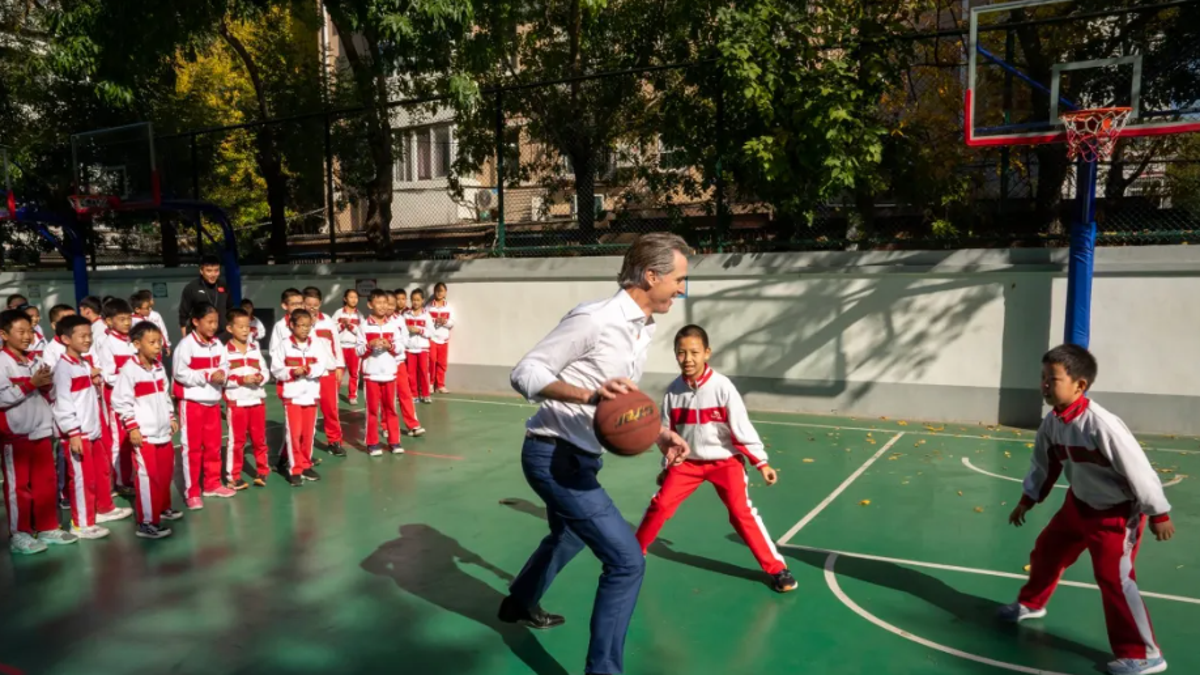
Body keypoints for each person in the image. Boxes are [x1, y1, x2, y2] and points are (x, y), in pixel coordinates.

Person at [502, 232, 692, 675]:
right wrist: (589, 397)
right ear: (651, 276)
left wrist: (659, 432)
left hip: (578, 457)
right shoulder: (596, 319)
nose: (682, 289)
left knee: (567, 534)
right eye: (679, 280)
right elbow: (525, 372)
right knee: (626, 562)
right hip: (554, 458)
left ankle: (519, 602)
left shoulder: (640, 328)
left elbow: (621, 401)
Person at [1000, 344, 1174, 675]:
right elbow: (1044, 465)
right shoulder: (1052, 423)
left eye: (1053, 379)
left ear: (1080, 385)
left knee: (1115, 580)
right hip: (1077, 505)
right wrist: (1028, 498)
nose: (1045, 385)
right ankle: (1031, 603)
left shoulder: (1101, 425)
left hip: (1115, 514)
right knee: (1046, 551)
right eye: (1043, 378)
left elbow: (1139, 469)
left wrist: (1158, 513)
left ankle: (1145, 653)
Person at [634, 325, 797, 593]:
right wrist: (666, 466)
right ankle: (633, 552)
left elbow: (741, 428)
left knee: (740, 513)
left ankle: (777, 569)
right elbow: (667, 435)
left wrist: (761, 462)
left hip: (725, 462)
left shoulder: (722, 387)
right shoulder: (673, 392)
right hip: (686, 463)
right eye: (681, 353)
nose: (687, 359)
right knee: (660, 505)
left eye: (694, 352)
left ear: (707, 353)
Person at [0, 308, 77, 554]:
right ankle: (19, 533)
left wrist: (46, 386)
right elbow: (2, 398)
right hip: (16, 435)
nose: (26, 336)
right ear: (3, 334)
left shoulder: (36, 360)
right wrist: (31, 384)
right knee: (18, 487)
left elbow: (49, 394)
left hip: (42, 431)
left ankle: (47, 527)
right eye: (20, 331)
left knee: (46, 482)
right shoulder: (2, 362)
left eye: (30, 330)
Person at [112, 321, 180, 539]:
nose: (158, 346)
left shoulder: (159, 367)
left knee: (165, 472)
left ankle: (162, 508)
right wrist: (132, 428)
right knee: (147, 477)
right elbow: (121, 401)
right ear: (136, 344)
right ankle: (147, 522)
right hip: (145, 435)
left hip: (163, 433)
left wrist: (171, 416)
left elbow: (166, 395)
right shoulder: (129, 370)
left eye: (159, 341)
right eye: (152, 342)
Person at [51, 315, 110, 540]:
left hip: (90, 432)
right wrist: (73, 432)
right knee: (81, 481)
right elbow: (63, 404)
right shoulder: (63, 369)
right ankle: (81, 524)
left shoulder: (83, 365)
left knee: (92, 478)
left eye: (90, 335)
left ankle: (90, 518)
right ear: (66, 339)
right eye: (82, 336)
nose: (88, 340)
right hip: (78, 435)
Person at [173, 302, 233, 508]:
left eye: (216, 322)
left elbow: (225, 365)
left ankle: (212, 484)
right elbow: (180, 373)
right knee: (192, 449)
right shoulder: (186, 345)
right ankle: (192, 492)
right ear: (195, 322)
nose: (213, 326)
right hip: (192, 403)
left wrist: (223, 374)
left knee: (214, 447)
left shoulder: (217, 344)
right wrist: (208, 375)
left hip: (213, 403)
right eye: (209, 322)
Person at [271, 309, 325, 487]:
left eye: (308, 326)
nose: (304, 329)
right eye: (300, 325)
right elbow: (276, 369)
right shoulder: (284, 346)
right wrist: (292, 372)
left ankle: (306, 464)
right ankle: (295, 469)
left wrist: (308, 370)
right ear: (291, 325)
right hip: (292, 396)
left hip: (311, 395)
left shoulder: (316, 344)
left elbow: (321, 366)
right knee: (294, 434)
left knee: (308, 434)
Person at [222, 308, 270, 489]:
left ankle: (262, 471)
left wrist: (260, 378)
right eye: (240, 326)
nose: (245, 330)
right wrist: (242, 380)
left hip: (257, 400)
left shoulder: (254, 349)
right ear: (229, 328)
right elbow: (223, 378)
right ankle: (233, 476)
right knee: (237, 441)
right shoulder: (224, 352)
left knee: (259, 439)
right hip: (237, 403)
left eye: (247, 326)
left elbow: (265, 371)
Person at [356, 289, 407, 456]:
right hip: (371, 375)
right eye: (379, 302)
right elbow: (358, 350)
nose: (383, 306)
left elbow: (400, 348)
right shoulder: (363, 326)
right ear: (370, 305)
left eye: (385, 302)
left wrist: (390, 346)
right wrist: (369, 345)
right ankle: (372, 442)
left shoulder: (393, 325)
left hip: (390, 374)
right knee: (372, 410)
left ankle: (394, 441)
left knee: (391, 409)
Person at [95, 298, 136, 495]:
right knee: (118, 440)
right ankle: (119, 481)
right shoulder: (107, 344)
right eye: (122, 319)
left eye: (129, 318)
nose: (127, 323)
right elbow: (108, 376)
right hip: (115, 399)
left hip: (133, 397)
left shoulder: (132, 341)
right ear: (109, 322)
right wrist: (130, 378)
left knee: (132, 437)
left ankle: (129, 476)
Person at [302, 287, 345, 458]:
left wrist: (340, 366)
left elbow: (336, 345)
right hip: (308, 375)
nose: (312, 308)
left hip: (328, 372)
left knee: (331, 409)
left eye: (315, 304)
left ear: (320, 303)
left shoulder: (327, 321)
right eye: (308, 304)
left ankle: (334, 441)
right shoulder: (298, 323)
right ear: (303, 303)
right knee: (307, 410)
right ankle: (305, 444)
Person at [177, 254, 229, 337]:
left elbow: (230, 310)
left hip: (222, 336)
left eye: (216, 270)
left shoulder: (224, 286)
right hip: (200, 336)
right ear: (201, 270)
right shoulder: (192, 288)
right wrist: (185, 339)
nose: (213, 274)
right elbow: (183, 316)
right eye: (209, 271)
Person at [402, 289, 434, 404]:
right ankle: (414, 394)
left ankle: (425, 394)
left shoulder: (426, 315)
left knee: (423, 372)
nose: (415, 302)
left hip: (422, 348)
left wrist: (419, 330)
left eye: (418, 300)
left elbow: (431, 332)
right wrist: (407, 333)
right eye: (413, 300)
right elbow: (401, 331)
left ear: (422, 301)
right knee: (411, 373)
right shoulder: (406, 315)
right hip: (410, 348)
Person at [333, 289, 363, 405]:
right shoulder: (338, 313)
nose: (354, 299)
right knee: (338, 372)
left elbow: (362, 332)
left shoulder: (359, 314)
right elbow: (332, 329)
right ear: (345, 299)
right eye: (351, 297)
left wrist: (350, 326)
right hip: (340, 347)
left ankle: (352, 395)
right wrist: (342, 325)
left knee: (354, 373)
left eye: (356, 297)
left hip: (354, 347)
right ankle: (334, 394)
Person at [428, 282, 454, 394]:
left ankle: (440, 385)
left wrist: (445, 322)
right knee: (432, 361)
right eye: (437, 290)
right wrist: (434, 321)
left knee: (442, 363)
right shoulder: (429, 306)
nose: (439, 292)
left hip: (444, 339)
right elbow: (425, 321)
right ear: (434, 292)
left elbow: (452, 323)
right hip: (432, 338)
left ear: (445, 293)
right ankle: (430, 384)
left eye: (441, 290)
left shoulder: (449, 307)